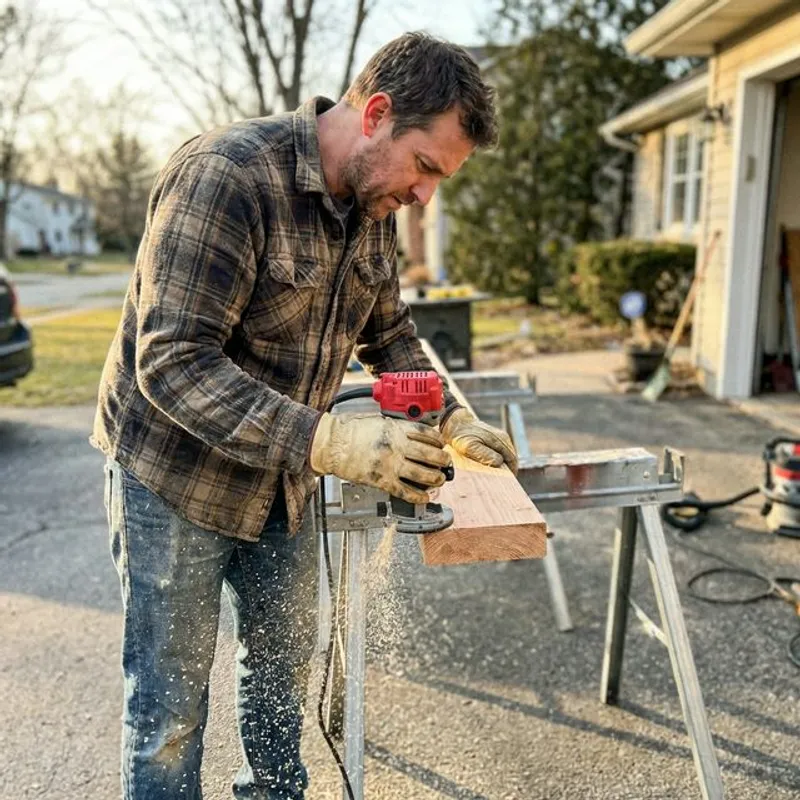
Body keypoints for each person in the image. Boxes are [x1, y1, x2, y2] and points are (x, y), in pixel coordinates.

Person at [92, 30, 518, 800]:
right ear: (377, 112)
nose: (426, 195)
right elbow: (172, 363)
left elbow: (390, 335)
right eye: (426, 167)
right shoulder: (226, 174)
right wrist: (326, 438)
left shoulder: (373, 199)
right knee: (169, 713)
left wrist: (455, 419)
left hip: (284, 480)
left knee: (282, 679)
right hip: (174, 479)